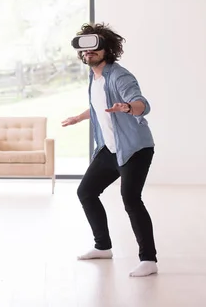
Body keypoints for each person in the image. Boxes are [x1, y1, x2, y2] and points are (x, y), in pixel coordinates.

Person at [62, 23, 158, 277]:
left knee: (131, 199)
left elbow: (141, 104)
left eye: (94, 49)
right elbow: (98, 107)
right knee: (86, 192)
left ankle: (149, 259)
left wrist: (127, 107)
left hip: (135, 149)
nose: (88, 54)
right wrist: (79, 117)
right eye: (84, 51)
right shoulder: (94, 78)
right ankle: (103, 247)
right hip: (110, 150)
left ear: (107, 49)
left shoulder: (120, 76)